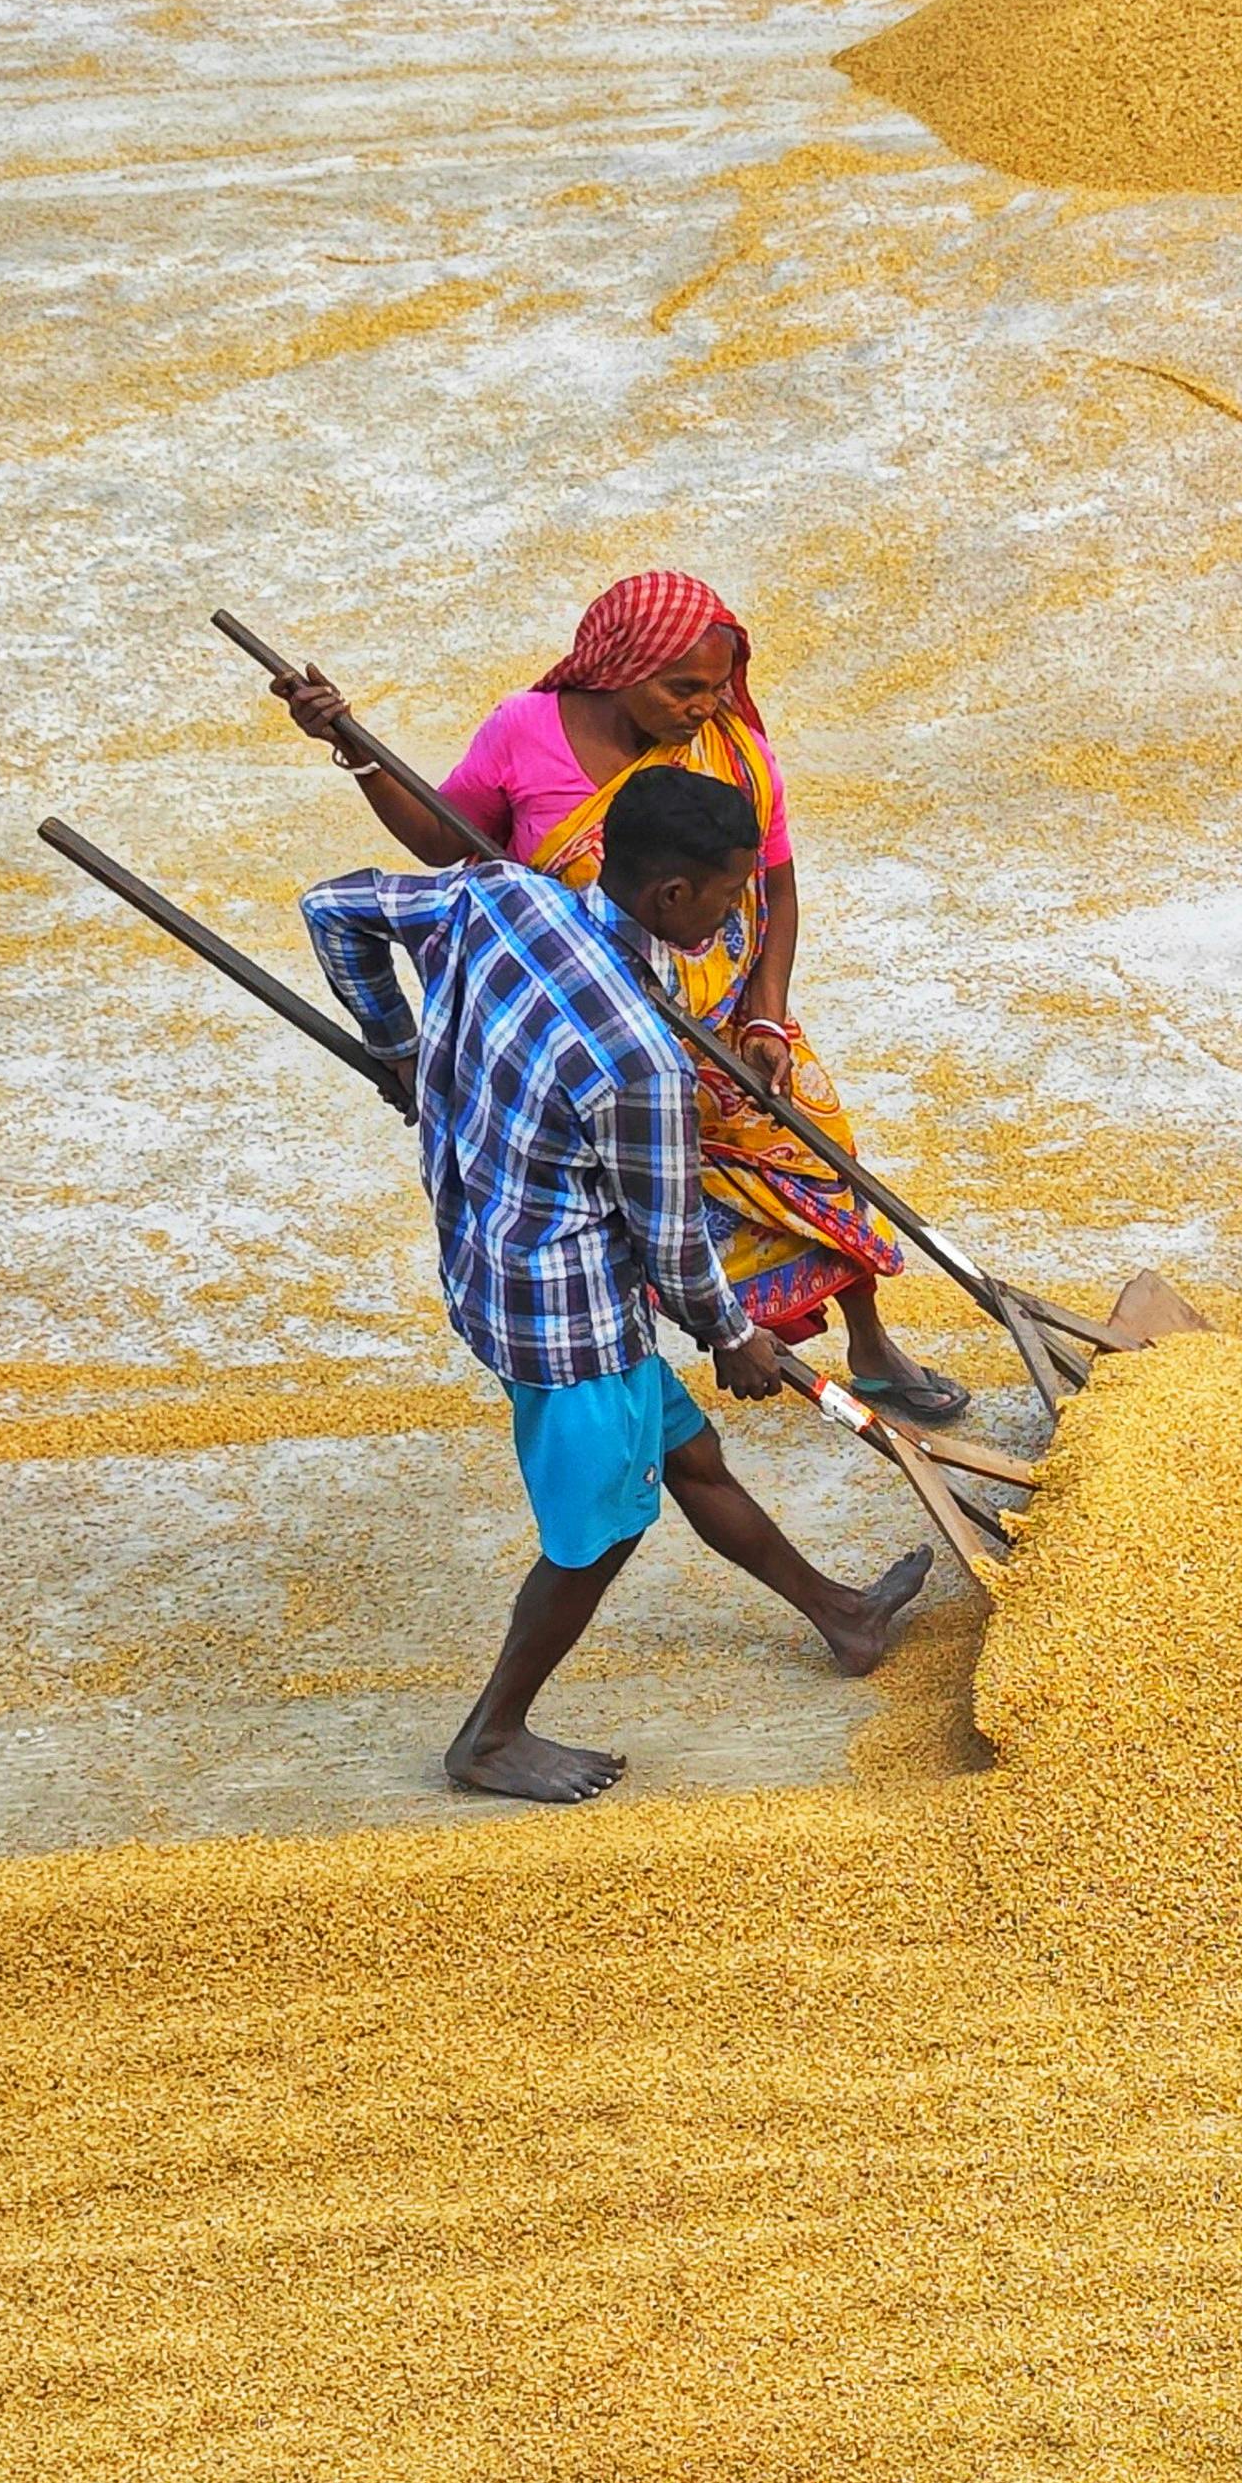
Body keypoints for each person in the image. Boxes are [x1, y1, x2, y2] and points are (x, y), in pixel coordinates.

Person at [304, 764, 934, 1802]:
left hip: (486, 1236)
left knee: (691, 1455)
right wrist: (732, 1334)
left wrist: (400, 1045)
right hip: (560, 1311)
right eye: (732, 895)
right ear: (672, 896)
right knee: (598, 1537)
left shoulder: (506, 893)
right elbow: (673, 1237)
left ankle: (842, 1616)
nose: (739, 915)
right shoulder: (639, 1056)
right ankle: (491, 1737)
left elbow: (333, 910)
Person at [271, 572, 972, 1427]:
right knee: (658, 1213)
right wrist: (359, 752)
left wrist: (763, 1013)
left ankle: (869, 1345)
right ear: (615, 668)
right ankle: (742, 1348)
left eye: (718, 687)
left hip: (732, 1022)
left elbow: (776, 891)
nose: (706, 708)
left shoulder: (732, 749)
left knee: (817, 1163)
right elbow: (438, 837)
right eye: (683, 688)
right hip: (609, 1034)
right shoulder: (523, 734)